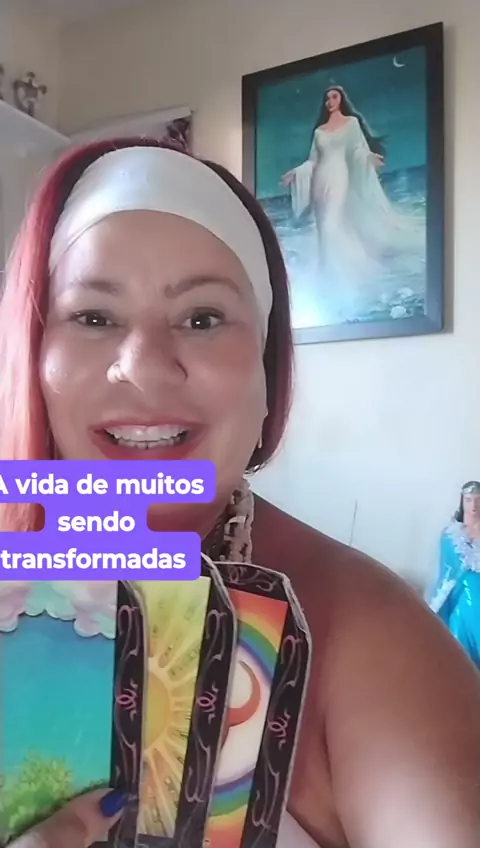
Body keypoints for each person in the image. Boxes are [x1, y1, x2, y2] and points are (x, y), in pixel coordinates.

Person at [0, 137, 479, 848]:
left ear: (266, 369)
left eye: (202, 318)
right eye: (94, 317)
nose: (144, 368)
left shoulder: (371, 637)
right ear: (34, 355)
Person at [281, 85, 424, 315]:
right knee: (323, 230)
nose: (330, 101)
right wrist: (295, 173)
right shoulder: (319, 131)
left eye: (334, 96)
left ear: (341, 99)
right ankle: (327, 278)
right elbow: (313, 160)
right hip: (320, 180)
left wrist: (368, 156)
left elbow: (357, 149)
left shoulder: (351, 123)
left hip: (339, 177)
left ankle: (344, 280)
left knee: (331, 226)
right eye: (327, 98)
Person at [428, 481, 480, 669]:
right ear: (462, 502)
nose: (474, 505)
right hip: (458, 602)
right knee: (459, 652)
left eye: (478, 500)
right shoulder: (450, 536)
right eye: (469, 500)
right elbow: (445, 573)